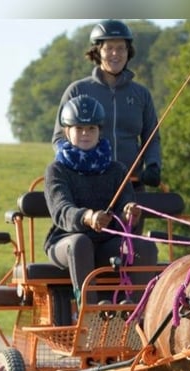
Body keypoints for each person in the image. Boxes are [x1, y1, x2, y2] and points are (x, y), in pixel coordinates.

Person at [44, 94, 158, 308]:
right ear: (67, 132)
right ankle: (90, 312)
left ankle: (136, 312)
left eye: (91, 129)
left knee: (146, 247)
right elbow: (61, 210)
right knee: (81, 243)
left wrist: (129, 213)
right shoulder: (57, 170)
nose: (86, 134)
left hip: (106, 243)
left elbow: (126, 206)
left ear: (100, 131)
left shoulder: (116, 170)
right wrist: (87, 217)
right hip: (66, 242)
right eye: (79, 129)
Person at [52, 19, 162, 193]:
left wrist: (153, 165)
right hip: (87, 186)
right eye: (109, 48)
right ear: (97, 51)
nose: (115, 54)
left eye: (120, 48)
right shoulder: (77, 90)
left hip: (131, 186)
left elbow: (152, 137)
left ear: (128, 52)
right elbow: (59, 138)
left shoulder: (141, 94)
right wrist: (77, 164)